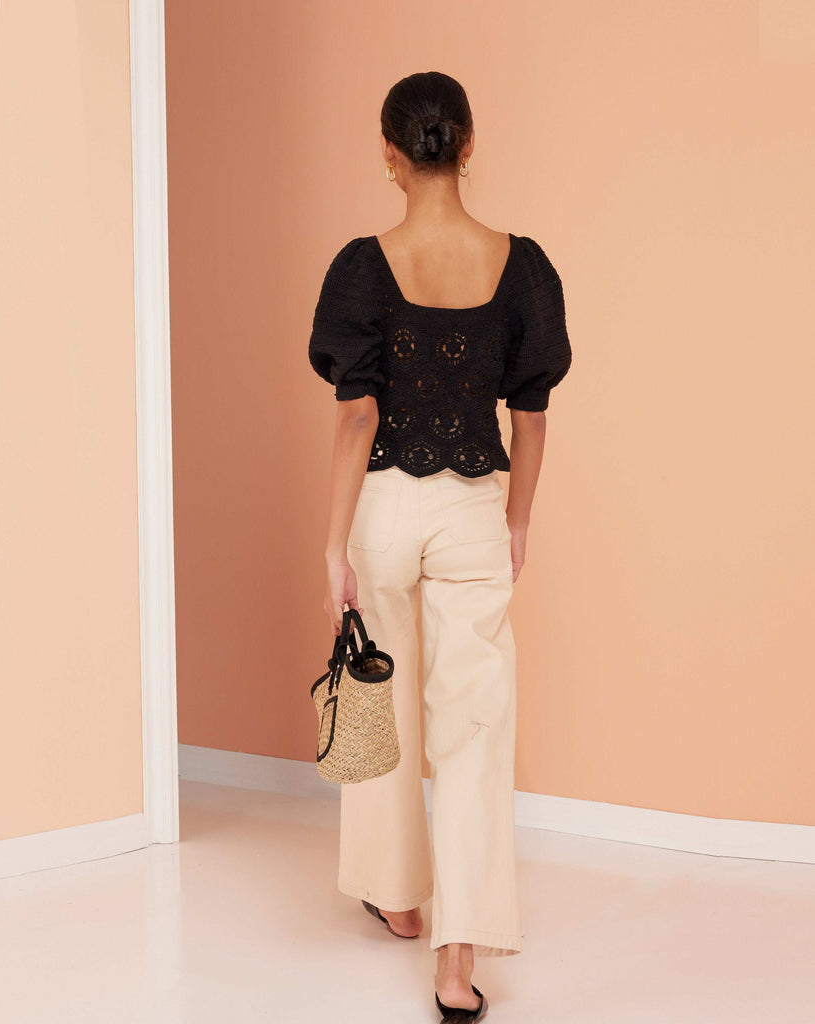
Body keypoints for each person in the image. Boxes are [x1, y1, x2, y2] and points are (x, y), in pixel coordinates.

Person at [308, 71, 572, 1023]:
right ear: (467, 146)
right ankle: (456, 965)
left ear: (390, 154)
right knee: (474, 727)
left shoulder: (360, 267)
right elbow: (532, 416)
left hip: (382, 506)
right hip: (472, 511)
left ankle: (399, 898)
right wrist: (518, 518)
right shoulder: (523, 266)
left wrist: (332, 545)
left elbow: (357, 418)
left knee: (378, 700)